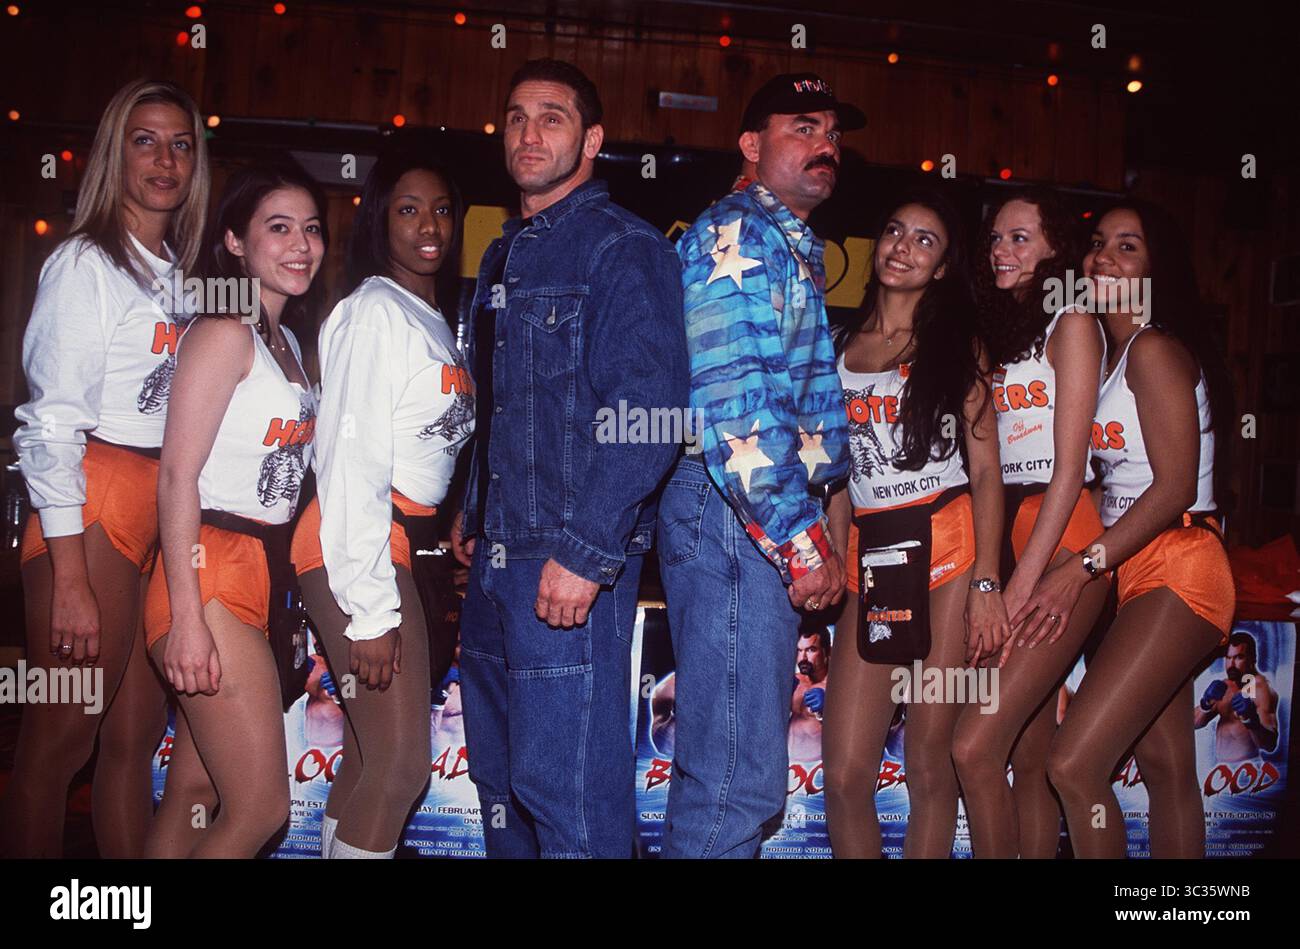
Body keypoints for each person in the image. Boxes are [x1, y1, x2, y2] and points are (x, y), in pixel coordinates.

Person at [451, 58, 689, 858]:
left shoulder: (625, 247)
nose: (529, 133)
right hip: (499, 557)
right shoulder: (503, 256)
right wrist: (474, 512)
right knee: (502, 786)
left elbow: (651, 414)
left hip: (565, 558)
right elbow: (504, 403)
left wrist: (586, 551)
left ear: (591, 140)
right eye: (516, 117)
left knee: (570, 800)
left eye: (551, 117)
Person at [3, 78, 209, 858]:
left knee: (132, 741)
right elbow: (49, 420)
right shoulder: (84, 262)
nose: (165, 159)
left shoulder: (180, 274)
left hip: (164, 509)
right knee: (59, 742)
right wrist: (70, 577)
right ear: (113, 153)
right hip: (92, 507)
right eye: (144, 140)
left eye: (181, 144)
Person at [658, 73, 862, 859]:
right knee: (734, 780)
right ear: (750, 144)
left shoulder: (781, 242)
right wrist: (800, 542)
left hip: (739, 509)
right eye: (802, 127)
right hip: (734, 506)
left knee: (731, 772)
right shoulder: (739, 233)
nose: (825, 144)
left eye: (833, 132)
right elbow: (733, 401)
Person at [1019, 200, 1235, 858]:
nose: (1104, 258)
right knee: (1167, 771)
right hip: (1129, 565)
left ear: (1154, 269)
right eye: (1098, 243)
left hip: (1179, 561)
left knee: (1073, 764)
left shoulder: (1153, 351)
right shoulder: (1111, 355)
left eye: (1128, 246)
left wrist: (1080, 566)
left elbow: (1174, 487)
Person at [291, 153, 474, 859]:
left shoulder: (427, 316)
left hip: (403, 541)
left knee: (372, 760)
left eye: (441, 210)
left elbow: (424, 447)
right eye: (408, 209)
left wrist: (450, 517)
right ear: (379, 220)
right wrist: (370, 610)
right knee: (401, 767)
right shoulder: (373, 312)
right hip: (359, 540)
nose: (429, 226)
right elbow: (352, 460)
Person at [822, 190, 1009, 859]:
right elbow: (833, 473)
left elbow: (986, 470)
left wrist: (987, 581)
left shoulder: (957, 347)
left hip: (949, 550)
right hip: (869, 558)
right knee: (844, 774)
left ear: (942, 267)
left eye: (925, 240)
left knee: (929, 760)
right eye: (895, 231)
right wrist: (830, 555)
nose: (903, 246)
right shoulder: (834, 346)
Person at [143, 165, 323, 858]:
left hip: (257, 573)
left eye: (311, 228)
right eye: (279, 228)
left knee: (194, 792)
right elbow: (176, 476)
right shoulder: (223, 332)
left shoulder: (289, 344)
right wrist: (187, 618)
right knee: (260, 809)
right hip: (208, 570)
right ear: (235, 242)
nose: (301, 244)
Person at [950, 188, 1111, 858]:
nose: (1001, 250)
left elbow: (1071, 471)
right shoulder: (1005, 331)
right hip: (1014, 532)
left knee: (974, 746)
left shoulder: (1071, 321)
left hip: (1063, 538)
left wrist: (1016, 589)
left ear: (1055, 250)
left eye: (1020, 238)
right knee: (1029, 754)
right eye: (995, 238)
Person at [1193, 631, 1278, 762]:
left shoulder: (1261, 690)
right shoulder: (1224, 686)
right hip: (1220, 766)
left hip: (1247, 767)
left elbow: (1270, 745)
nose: (1231, 665)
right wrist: (1206, 704)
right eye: (1228, 658)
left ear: (1252, 659)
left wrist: (1251, 719)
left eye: (1239, 657)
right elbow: (1193, 724)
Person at [790, 626, 831, 762]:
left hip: (818, 765)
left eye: (811, 650)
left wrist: (829, 708)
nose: (803, 658)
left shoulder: (837, 686)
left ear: (827, 652)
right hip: (788, 763)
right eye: (799, 650)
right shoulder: (795, 681)